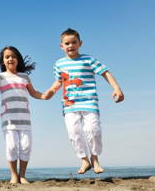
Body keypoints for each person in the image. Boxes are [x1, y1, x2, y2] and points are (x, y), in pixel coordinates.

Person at [47, 28, 124, 174]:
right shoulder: (59, 64)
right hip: (69, 104)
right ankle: (84, 160)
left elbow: (105, 72)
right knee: (74, 132)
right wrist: (50, 92)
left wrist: (117, 88)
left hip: (89, 102)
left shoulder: (88, 60)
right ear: (61, 46)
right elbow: (59, 82)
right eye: (67, 43)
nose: (70, 45)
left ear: (80, 43)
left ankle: (95, 159)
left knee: (92, 130)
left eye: (74, 42)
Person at [0, 46, 53, 184]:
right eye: (7, 57)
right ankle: (14, 175)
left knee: (26, 146)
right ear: (3, 61)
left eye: (13, 56)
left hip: (24, 118)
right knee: (12, 146)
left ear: (18, 59)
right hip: (8, 118)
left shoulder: (24, 77)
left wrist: (44, 96)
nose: (10, 59)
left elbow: (34, 92)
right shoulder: (0, 77)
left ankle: (22, 175)